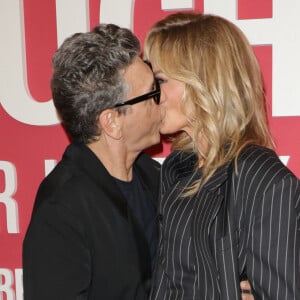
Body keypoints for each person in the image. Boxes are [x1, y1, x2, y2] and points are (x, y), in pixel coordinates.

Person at [144, 12, 300, 300]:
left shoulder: (263, 179)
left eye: (161, 80)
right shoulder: (177, 169)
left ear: (203, 81)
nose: (154, 94)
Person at [22, 23, 162, 300]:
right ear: (112, 121)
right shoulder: (62, 210)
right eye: (152, 93)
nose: (162, 101)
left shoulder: (156, 178)